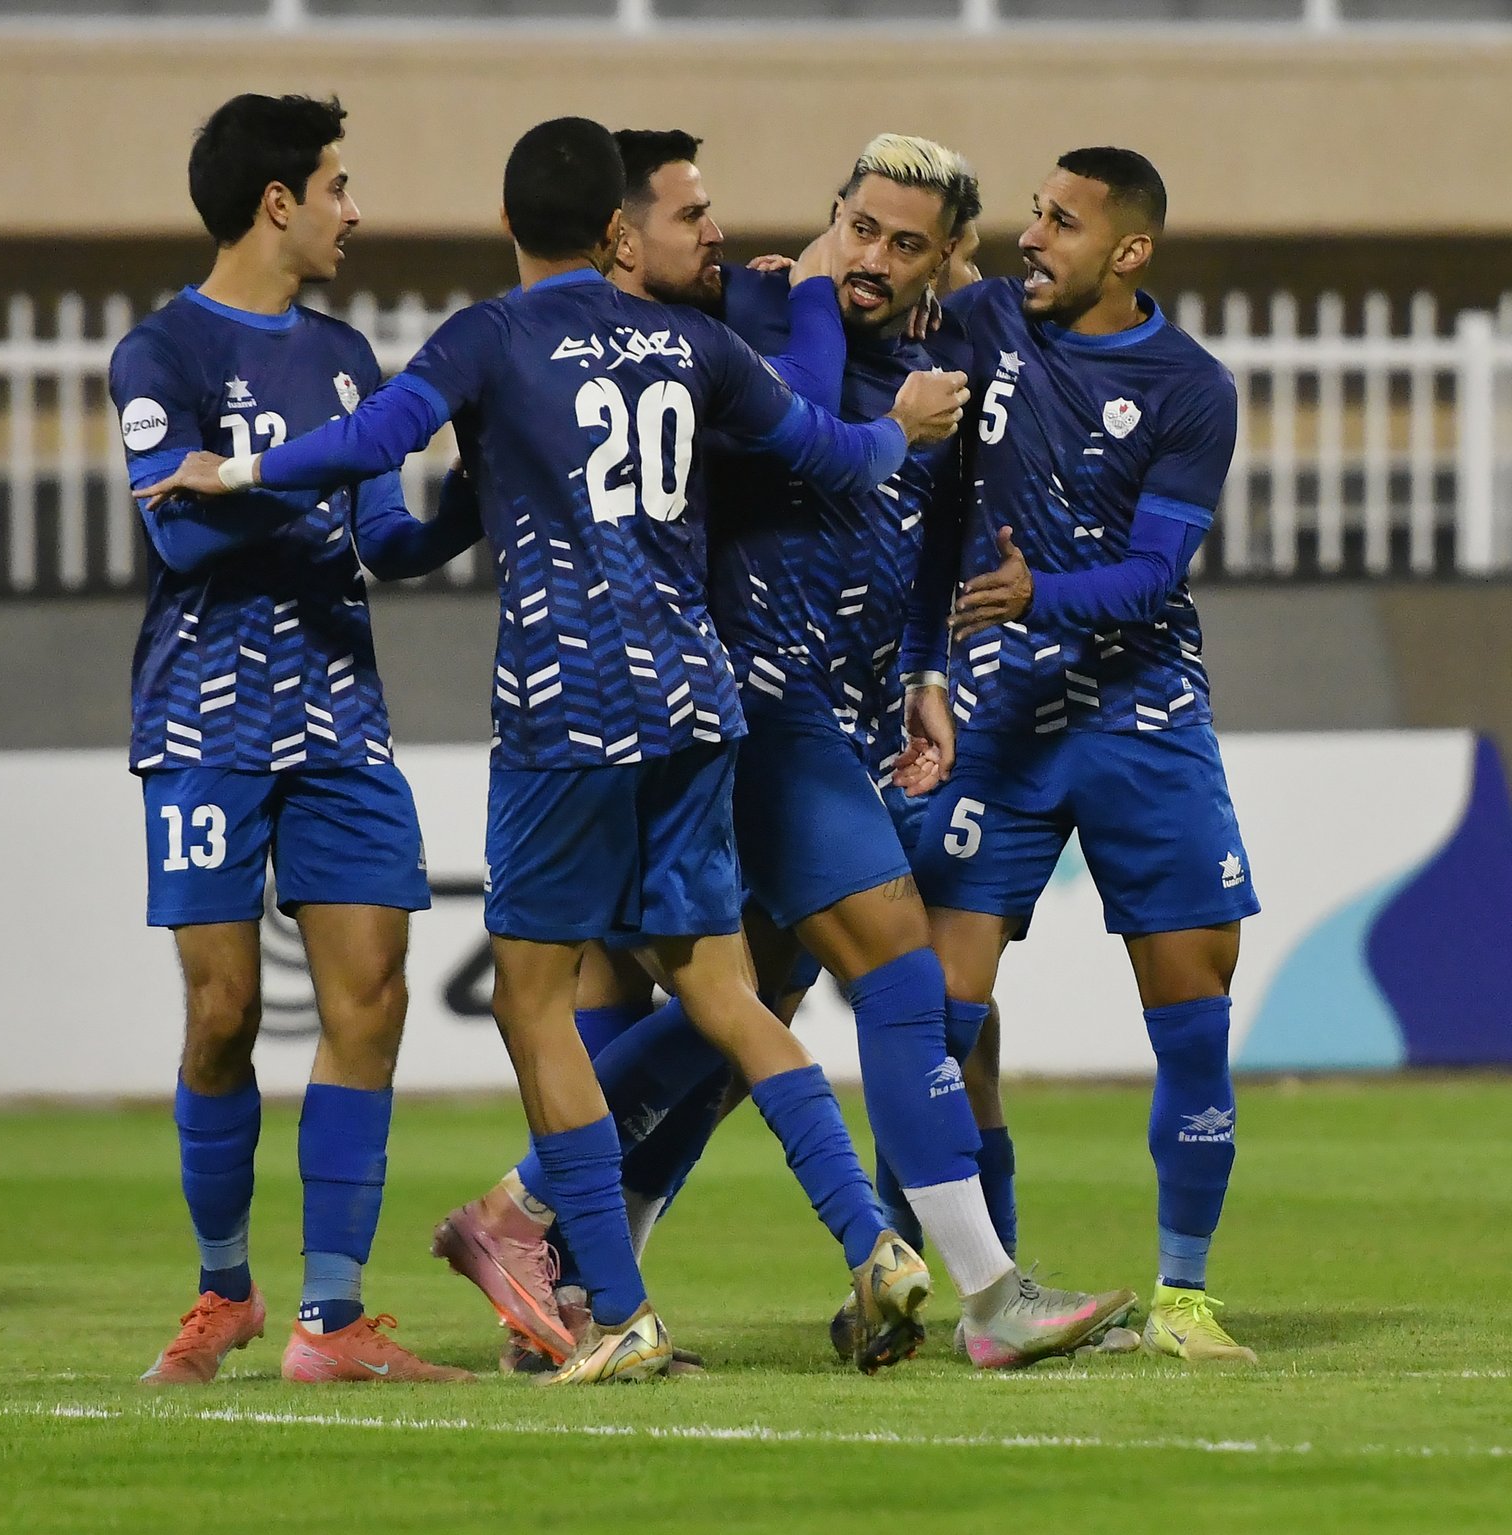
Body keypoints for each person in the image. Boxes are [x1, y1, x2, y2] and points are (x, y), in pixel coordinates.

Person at [143, 116, 970, 1384]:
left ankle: (618, 1307)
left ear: (507, 228)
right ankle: (871, 1237)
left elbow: (378, 448)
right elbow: (830, 450)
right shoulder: (694, 343)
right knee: (722, 984)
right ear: (613, 232)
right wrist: (901, 430)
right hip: (698, 700)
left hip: (565, 706)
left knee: (535, 997)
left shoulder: (490, 334)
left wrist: (234, 462)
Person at [434, 130, 1133, 1374]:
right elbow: (623, 331)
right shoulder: (746, 304)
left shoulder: (947, 360)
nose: (870, 258)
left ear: (943, 260)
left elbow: (936, 534)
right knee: (897, 970)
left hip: (824, 711)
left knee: (731, 1013)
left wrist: (922, 668)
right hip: (738, 707)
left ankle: (562, 1254)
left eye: (903, 243)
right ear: (828, 223)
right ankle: (984, 1289)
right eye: (856, 227)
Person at [110, 93, 477, 1387]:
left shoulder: (341, 356)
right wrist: (304, 475)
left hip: (341, 715)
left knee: (368, 995)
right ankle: (225, 1291)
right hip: (206, 719)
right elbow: (184, 533)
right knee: (219, 1012)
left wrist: (461, 507)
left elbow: (381, 540)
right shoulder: (160, 355)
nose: (353, 209)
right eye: (337, 184)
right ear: (279, 201)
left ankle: (331, 1316)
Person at [907, 147, 1260, 1365]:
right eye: (1033, 212)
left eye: (1061, 221)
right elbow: (872, 286)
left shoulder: (1189, 387)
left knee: (1191, 1015)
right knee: (937, 1016)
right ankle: (992, 1293)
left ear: (1128, 251)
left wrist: (1033, 591)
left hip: (1138, 713)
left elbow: (1159, 569)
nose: (1031, 236)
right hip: (998, 713)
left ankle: (1184, 1292)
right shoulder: (985, 317)